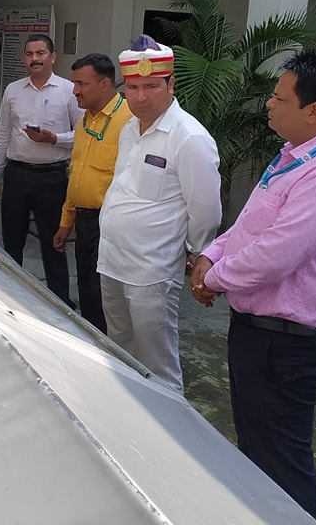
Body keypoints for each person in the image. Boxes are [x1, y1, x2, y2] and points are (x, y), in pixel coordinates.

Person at [190, 50, 316, 519]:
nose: (269, 104)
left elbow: (277, 254)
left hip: (286, 344)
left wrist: (213, 278)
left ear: (314, 111)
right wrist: (212, 254)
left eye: (279, 97)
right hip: (257, 333)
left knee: (282, 462)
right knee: (255, 449)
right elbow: (251, 226)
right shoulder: (294, 155)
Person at [96, 35, 221, 395]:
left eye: (151, 86)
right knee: (119, 351)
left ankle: (168, 424)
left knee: (158, 364)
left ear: (171, 84)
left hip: (151, 272)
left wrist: (198, 253)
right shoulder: (128, 130)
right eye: (133, 87)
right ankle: (126, 414)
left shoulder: (189, 137)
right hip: (113, 262)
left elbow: (205, 209)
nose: (140, 97)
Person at [0, 34, 82, 306]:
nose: (35, 58)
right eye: (29, 54)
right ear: (23, 59)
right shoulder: (13, 90)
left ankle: (59, 301)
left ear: (53, 57)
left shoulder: (68, 91)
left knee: (54, 241)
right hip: (17, 175)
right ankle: (12, 298)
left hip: (52, 177)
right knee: (12, 240)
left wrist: (54, 139)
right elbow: (2, 134)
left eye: (41, 53)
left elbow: (83, 134)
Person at [52, 54, 132, 332]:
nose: (75, 90)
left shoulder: (129, 122)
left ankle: (107, 350)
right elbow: (76, 172)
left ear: (104, 84)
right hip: (84, 223)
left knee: (102, 296)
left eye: (81, 84)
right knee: (86, 289)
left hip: (111, 224)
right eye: (74, 83)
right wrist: (66, 222)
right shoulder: (84, 121)